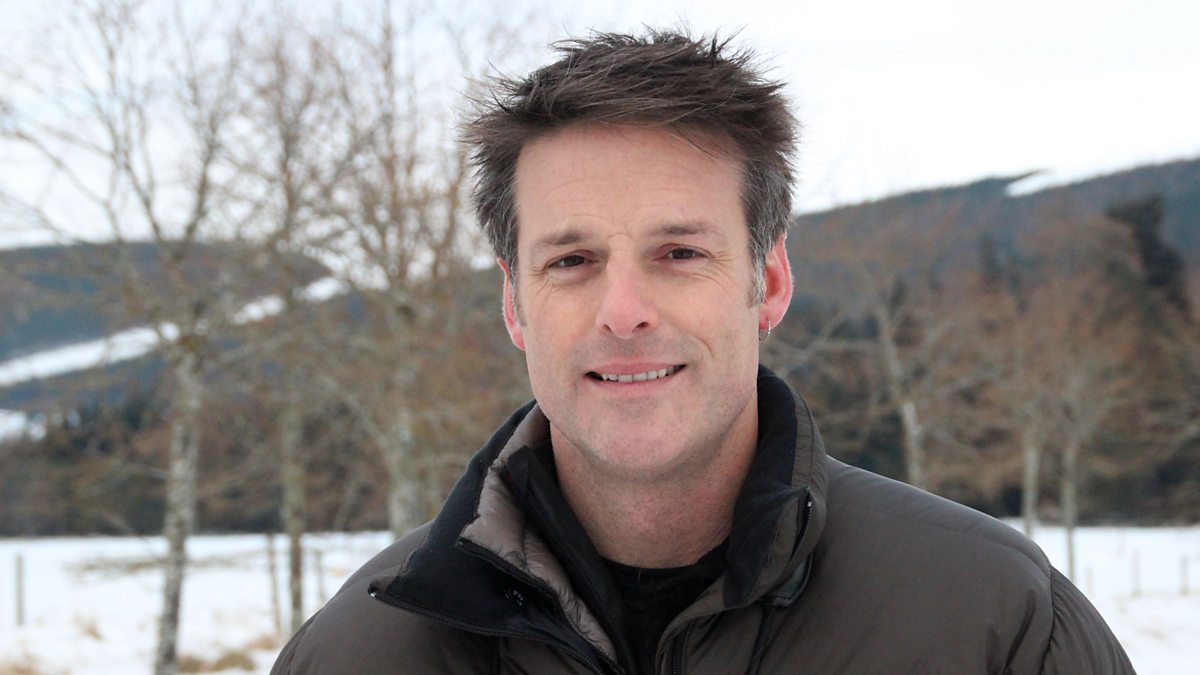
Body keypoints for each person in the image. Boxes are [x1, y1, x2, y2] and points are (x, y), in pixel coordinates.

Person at [272, 30, 1135, 674]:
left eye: (679, 252)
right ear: (514, 303)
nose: (624, 312)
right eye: (571, 261)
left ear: (769, 279)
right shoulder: (362, 651)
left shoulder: (992, 624)